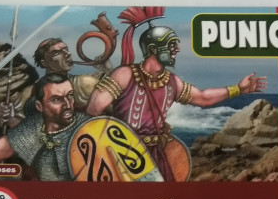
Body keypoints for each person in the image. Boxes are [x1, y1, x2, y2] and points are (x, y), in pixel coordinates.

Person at [86, 9, 267, 181]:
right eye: (171, 44)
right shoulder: (125, 74)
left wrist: (238, 89)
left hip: (157, 154)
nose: (177, 49)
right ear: (154, 49)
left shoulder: (172, 81)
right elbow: (94, 110)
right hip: (123, 152)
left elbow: (203, 98)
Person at [0, 73, 89, 181]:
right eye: (56, 99)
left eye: (70, 96)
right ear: (39, 106)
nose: (67, 104)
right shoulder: (34, 127)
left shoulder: (88, 125)